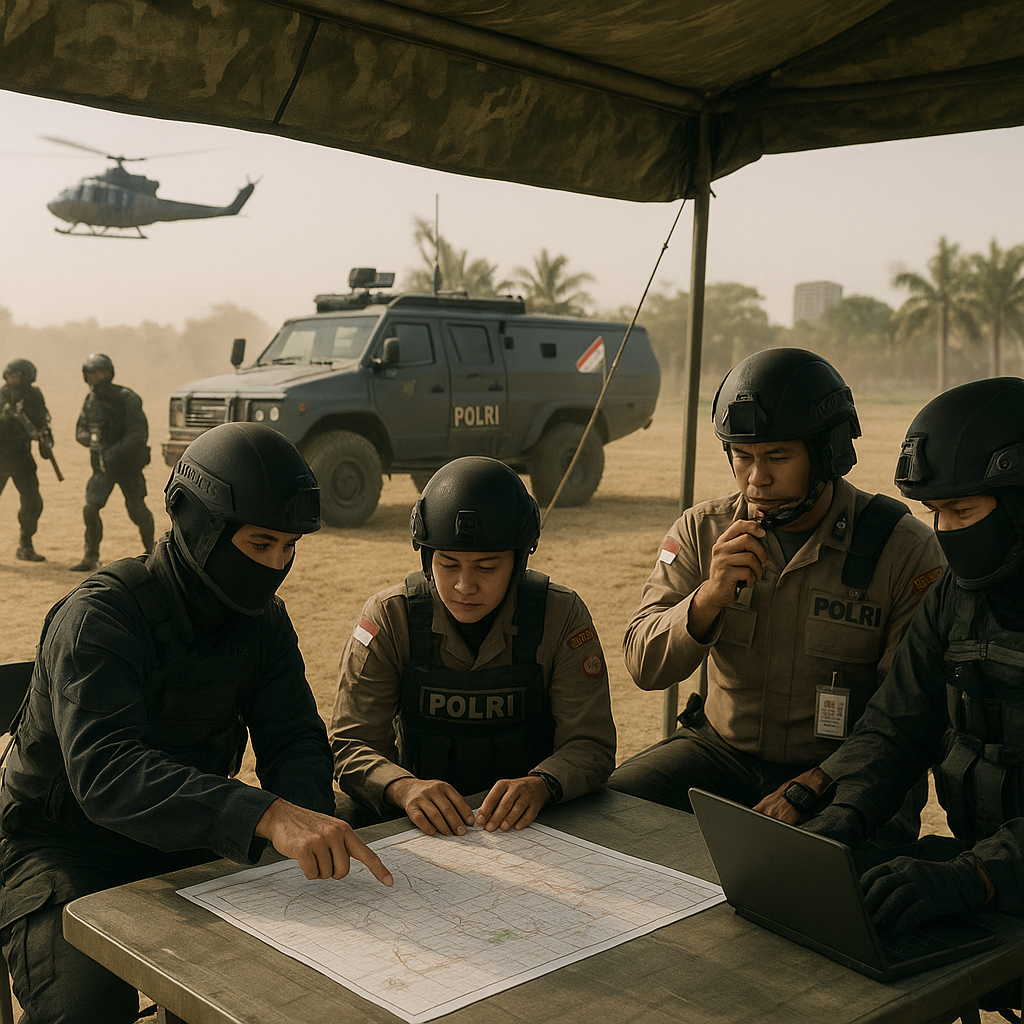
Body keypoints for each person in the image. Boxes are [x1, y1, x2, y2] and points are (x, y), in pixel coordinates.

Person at [0, 421, 394, 1024]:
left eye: (289, 549)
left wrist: (307, 825)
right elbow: (107, 772)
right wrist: (264, 815)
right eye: (260, 545)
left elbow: (292, 739)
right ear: (200, 526)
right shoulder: (102, 615)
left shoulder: (263, 622)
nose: (275, 565)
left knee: (247, 986)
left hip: (188, 842)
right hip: (63, 849)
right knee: (87, 1007)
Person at [608, 348, 943, 835]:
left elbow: (908, 714)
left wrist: (817, 783)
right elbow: (643, 665)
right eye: (742, 457)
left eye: (777, 457)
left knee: (813, 873)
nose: (755, 478)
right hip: (721, 754)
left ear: (829, 452)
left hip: (847, 770)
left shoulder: (904, 550)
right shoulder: (704, 530)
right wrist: (707, 599)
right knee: (610, 814)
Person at [798, 379, 1024, 969]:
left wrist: (973, 876)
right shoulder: (957, 598)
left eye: (963, 510)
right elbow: (896, 723)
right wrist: (846, 813)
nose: (945, 532)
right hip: (983, 870)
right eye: (936, 512)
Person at [330, 456, 616, 837]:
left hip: (535, 825)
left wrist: (543, 784)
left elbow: (591, 743)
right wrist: (403, 789)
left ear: (518, 564)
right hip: (419, 823)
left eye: (486, 568)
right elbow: (352, 743)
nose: (465, 586)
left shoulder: (558, 615)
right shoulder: (390, 616)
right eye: (448, 565)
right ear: (427, 557)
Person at [71, 352, 155, 572]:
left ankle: (152, 551)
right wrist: (91, 440)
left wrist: (113, 452)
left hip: (128, 466)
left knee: (137, 510)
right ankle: (90, 556)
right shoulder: (91, 400)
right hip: (102, 468)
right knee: (90, 508)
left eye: (100, 372)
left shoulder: (127, 397)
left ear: (109, 373)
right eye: (91, 373)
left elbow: (138, 434)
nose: (96, 377)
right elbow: (81, 430)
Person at [0, 358, 54, 562]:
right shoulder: (1, 396)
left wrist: (45, 440)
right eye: (10, 375)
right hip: (0, 456)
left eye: (17, 375)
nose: (13, 379)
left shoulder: (34, 396)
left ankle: (25, 545)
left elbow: (42, 422)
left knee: (33, 503)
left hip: (22, 458)